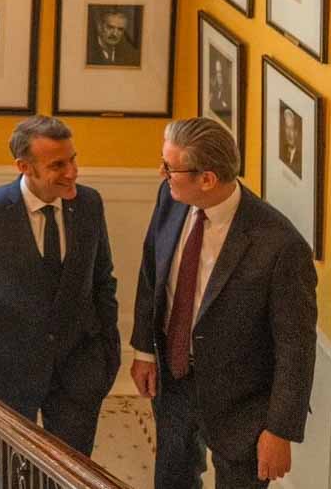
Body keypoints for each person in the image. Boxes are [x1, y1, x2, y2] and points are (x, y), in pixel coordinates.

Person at [131, 117, 317, 488]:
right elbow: (152, 272)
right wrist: (144, 351)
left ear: (207, 179)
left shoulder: (280, 245)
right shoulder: (170, 199)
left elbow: (296, 345)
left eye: (169, 167)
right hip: (174, 383)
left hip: (242, 405)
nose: (162, 173)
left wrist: (280, 430)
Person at [0, 116, 120, 456]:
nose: (72, 172)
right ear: (24, 167)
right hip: (11, 370)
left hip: (80, 369)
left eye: (72, 159)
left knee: (70, 470)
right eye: (57, 165)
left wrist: (108, 353)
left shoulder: (90, 204)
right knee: (8, 467)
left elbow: (103, 280)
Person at [279, 107, 303, 179]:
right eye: (287, 128)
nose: (289, 134)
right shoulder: (282, 151)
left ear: (297, 132)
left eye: (292, 128)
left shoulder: (301, 157)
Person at [208, 58, 232, 129]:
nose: (219, 76)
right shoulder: (213, 92)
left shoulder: (229, 93)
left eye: (221, 72)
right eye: (217, 72)